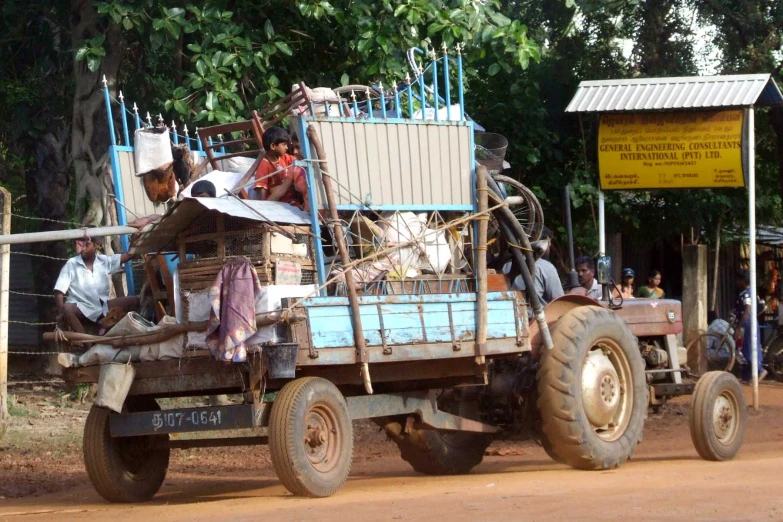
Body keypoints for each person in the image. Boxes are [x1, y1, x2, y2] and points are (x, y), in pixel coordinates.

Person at [54, 236, 138, 335]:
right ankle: (86, 342)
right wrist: (61, 313)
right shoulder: (71, 264)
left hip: (103, 306)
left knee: (135, 301)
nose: (83, 248)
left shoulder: (104, 261)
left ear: (97, 245)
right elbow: (59, 290)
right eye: (79, 245)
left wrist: (135, 240)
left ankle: (122, 334)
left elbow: (128, 255)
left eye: (87, 245)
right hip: (81, 307)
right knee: (67, 308)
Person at [501, 227, 564, 307]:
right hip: (537, 317)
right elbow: (558, 301)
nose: (550, 245)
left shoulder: (505, 265)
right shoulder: (546, 268)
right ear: (544, 241)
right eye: (549, 242)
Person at [254, 126, 309, 211]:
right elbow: (262, 192)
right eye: (284, 144)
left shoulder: (285, 157)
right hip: (277, 203)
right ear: (273, 146)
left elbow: (298, 161)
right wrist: (263, 208)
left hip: (292, 200)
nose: (287, 148)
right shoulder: (264, 165)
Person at [734, 270, 768, 383]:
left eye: (738, 279)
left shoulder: (747, 293)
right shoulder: (751, 292)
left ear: (743, 281)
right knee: (746, 349)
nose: (736, 282)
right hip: (751, 323)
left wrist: (738, 328)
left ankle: (761, 370)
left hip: (748, 324)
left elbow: (747, 310)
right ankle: (746, 378)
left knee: (749, 350)